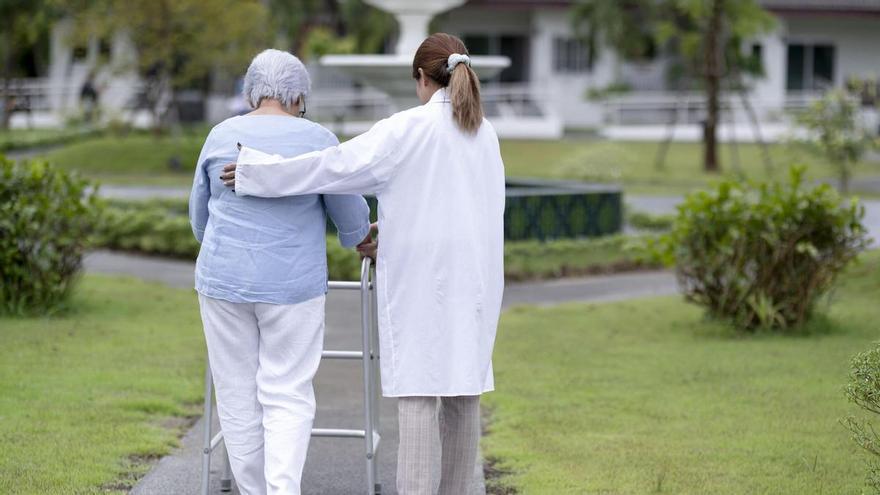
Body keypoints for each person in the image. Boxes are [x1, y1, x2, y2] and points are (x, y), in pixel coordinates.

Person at [222, 33, 504, 495]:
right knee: (462, 393)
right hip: (474, 280)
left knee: (418, 394)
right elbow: (464, 208)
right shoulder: (484, 132)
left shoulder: (408, 129)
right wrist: (389, 230)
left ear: (420, 78)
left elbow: (333, 167)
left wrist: (257, 172)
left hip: (422, 283)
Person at [188, 49, 371, 495]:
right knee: (287, 392)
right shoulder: (319, 139)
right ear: (299, 96)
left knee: (236, 394)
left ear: (252, 91)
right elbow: (350, 217)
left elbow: (199, 219)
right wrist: (361, 238)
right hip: (293, 285)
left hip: (223, 280)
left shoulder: (219, 135)